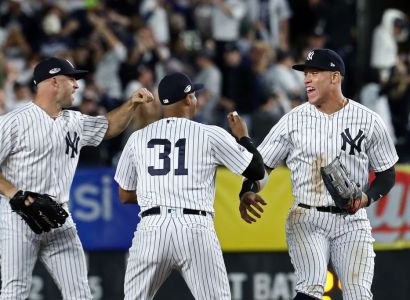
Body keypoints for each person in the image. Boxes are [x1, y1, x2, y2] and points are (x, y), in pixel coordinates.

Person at [0, 57, 153, 300]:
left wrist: (131, 103)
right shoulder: (13, 121)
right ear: (54, 81)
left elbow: (108, 127)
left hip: (59, 216)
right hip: (18, 218)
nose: (77, 86)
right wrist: (15, 194)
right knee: (15, 292)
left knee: (79, 293)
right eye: (72, 79)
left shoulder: (74, 121)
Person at [238, 49, 398, 300]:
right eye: (306, 74)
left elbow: (387, 173)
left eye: (314, 73)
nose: (307, 80)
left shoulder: (368, 120)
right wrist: (248, 189)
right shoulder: (293, 120)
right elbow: (263, 166)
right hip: (307, 217)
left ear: (335, 78)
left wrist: (366, 199)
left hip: (352, 221)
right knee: (311, 288)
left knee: (359, 294)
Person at [114, 72, 266, 299]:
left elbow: (125, 195)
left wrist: (161, 191)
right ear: (187, 99)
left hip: (152, 228)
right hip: (195, 226)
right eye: (194, 95)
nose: (196, 100)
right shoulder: (209, 133)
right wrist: (243, 136)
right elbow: (256, 170)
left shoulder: (138, 138)